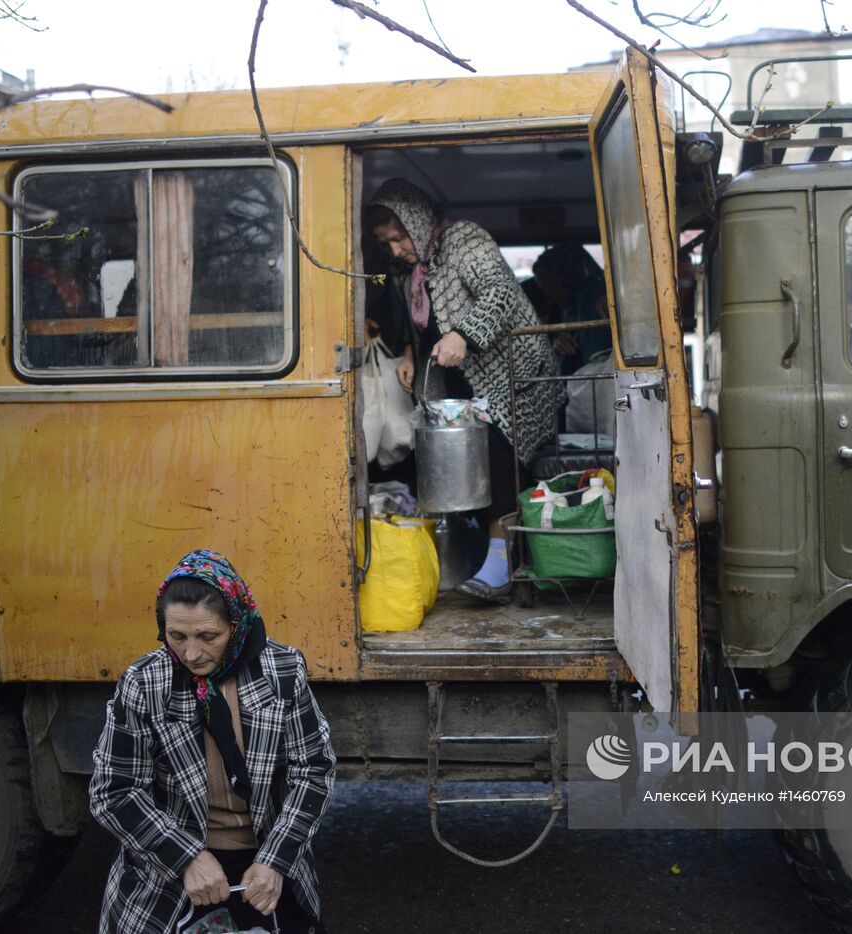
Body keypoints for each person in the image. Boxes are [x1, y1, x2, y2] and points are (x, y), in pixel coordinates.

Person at [90, 549, 336, 934]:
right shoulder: (145, 683)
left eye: (208, 636)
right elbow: (114, 791)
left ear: (235, 625)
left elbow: (314, 771)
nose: (191, 653)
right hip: (169, 869)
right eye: (176, 636)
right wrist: (186, 857)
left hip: (264, 862)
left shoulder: (283, 671)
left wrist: (275, 860)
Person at [364, 178, 563, 603]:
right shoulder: (409, 273)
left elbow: (500, 292)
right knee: (467, 469)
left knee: (499, 462)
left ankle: (503, 566)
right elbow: (425, 325)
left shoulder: (464, 239)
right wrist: (409, 353)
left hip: (513, 377)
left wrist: (465, 335)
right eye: (387, 243)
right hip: (464, 384)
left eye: (399, 238)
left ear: (417, 221)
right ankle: (498, 558)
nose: (395, 250)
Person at [531, 243, 612, 373]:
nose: (549, 294)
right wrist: (557, 346)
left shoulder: (600, 295)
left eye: (551, 284)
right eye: (544, 288)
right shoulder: (559, 311)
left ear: (567, 277)